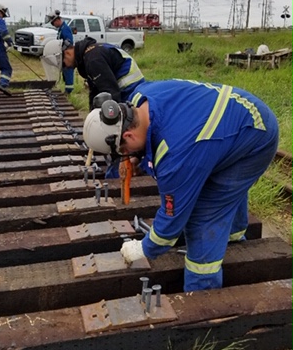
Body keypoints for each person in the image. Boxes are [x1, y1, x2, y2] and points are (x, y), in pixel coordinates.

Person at [83, 79, 279, 292]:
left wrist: (143, 248)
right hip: (234, 115)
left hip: (256, 134)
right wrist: (139, 156)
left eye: (124, 151)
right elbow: (154, 135)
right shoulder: (139, 99)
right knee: (219, 185)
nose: (126, 156)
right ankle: (234, 235)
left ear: (127, 135)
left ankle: (202, 294)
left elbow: (170, 223)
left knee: (204, 213)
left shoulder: (177, 156)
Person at [41, 36, 145, 108]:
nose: (67, 67)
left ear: (67, 53)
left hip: (131, 91)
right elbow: (95, 91)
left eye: (64, 64)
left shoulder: (93, 59)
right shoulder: (87, 56)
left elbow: (111, 94)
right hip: (124, 90)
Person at [45, 10, 74, 94]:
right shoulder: (61, 29)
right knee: (65, 72)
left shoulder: (65, 29)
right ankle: (67, 90)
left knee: (68, 72)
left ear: (57, 20)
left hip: (68, 55)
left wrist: (60, 50)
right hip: (63, 54)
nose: (53, 25)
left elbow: (69, 42)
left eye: (53, 23)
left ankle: (69, 91)